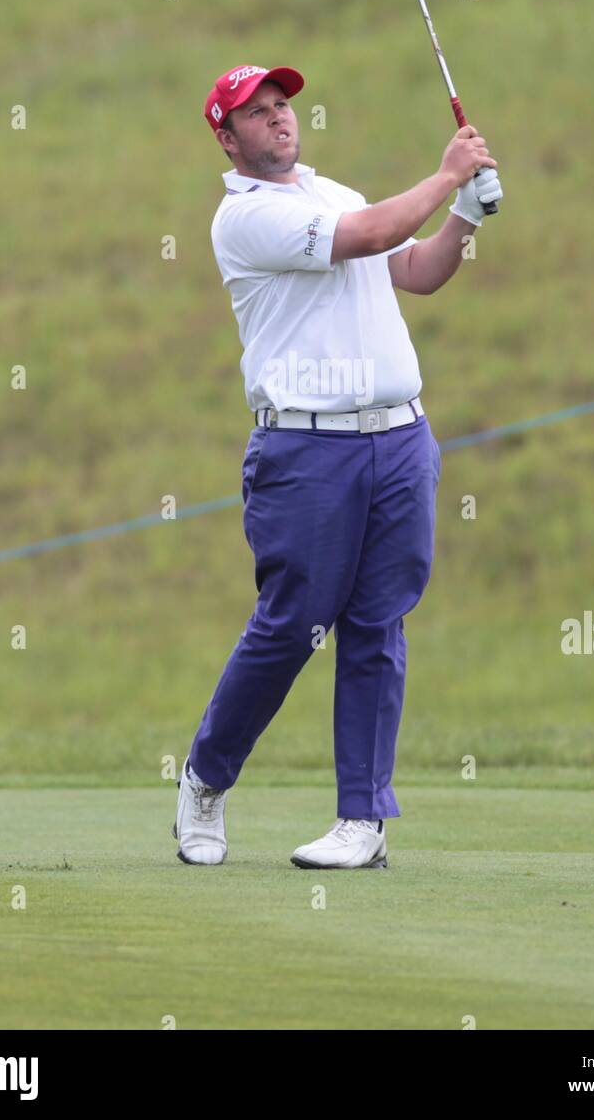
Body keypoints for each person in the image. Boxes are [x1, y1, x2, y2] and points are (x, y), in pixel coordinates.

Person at [173, 62, 502, 869]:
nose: (280, 120)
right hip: (306, 447)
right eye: (258, 114)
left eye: (283, 106)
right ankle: (206, 780)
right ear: (227, 137)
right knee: (291, 626)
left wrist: (463, 216)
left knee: (377, 625)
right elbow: (372, 237)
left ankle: (363, 820)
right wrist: (447, 173)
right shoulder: (242, 220)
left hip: (399, 441)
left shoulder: (338, 193)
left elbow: (415, 270)